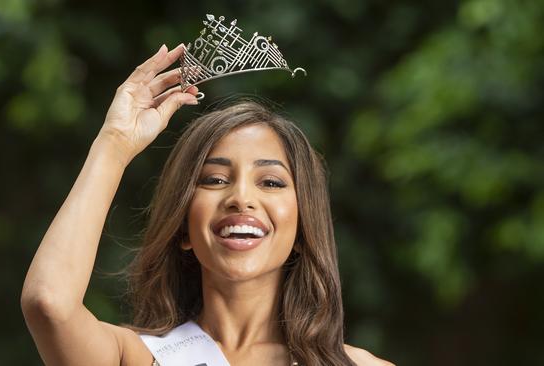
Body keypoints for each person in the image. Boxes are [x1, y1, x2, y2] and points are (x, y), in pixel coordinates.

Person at [20, 43, 394, 366]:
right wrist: (115, 144)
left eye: (271, 182)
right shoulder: (138, 356)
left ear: (301, 228)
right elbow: (48, 303)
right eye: (215, 180)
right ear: (183, 228)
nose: (241, 198)